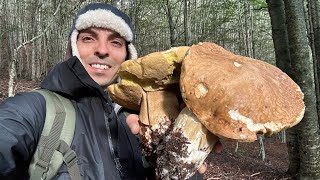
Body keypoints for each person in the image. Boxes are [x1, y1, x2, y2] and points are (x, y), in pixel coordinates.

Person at [0, 3, 221, 180]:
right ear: (72, 48)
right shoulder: (35, 108)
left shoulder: (136, 122)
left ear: (128, 56)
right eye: (88, 38)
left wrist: (182, 170)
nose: (102, 50)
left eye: (115, 42)